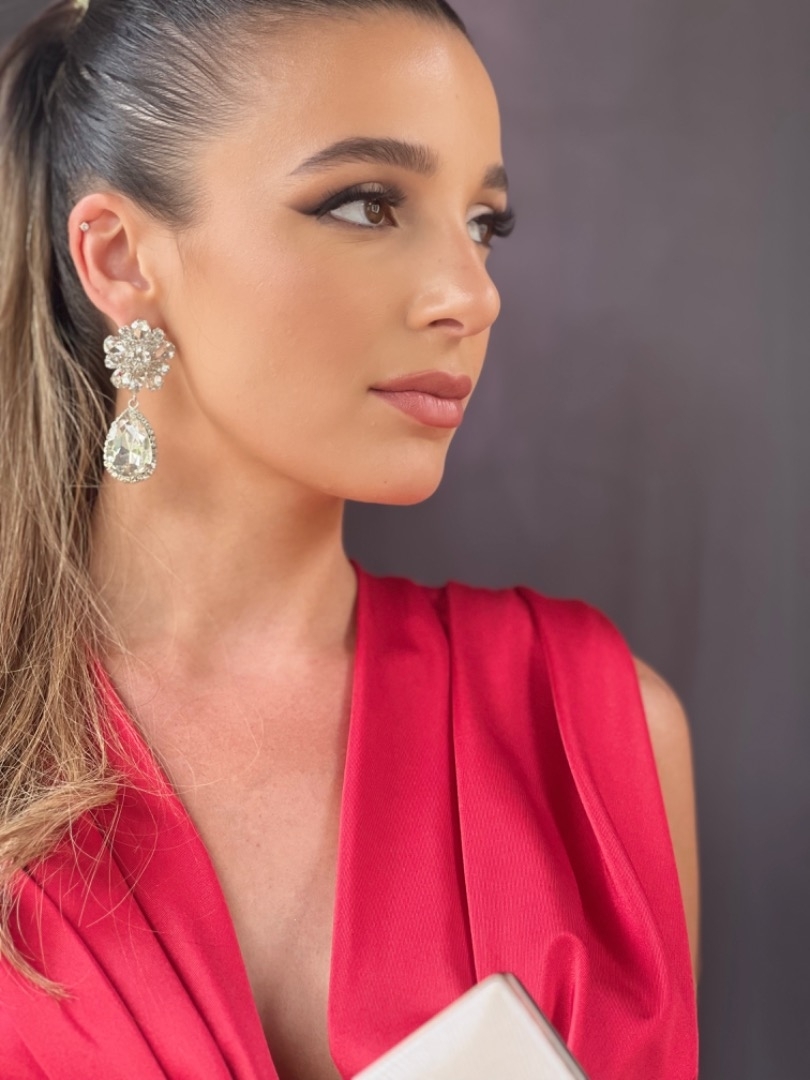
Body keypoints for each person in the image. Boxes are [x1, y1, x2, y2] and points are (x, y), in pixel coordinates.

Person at [0, 0, 699, 1077]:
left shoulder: (597, 733)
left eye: (484, 223)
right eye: (369, 205)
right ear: (121, 258)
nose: (471, 296)